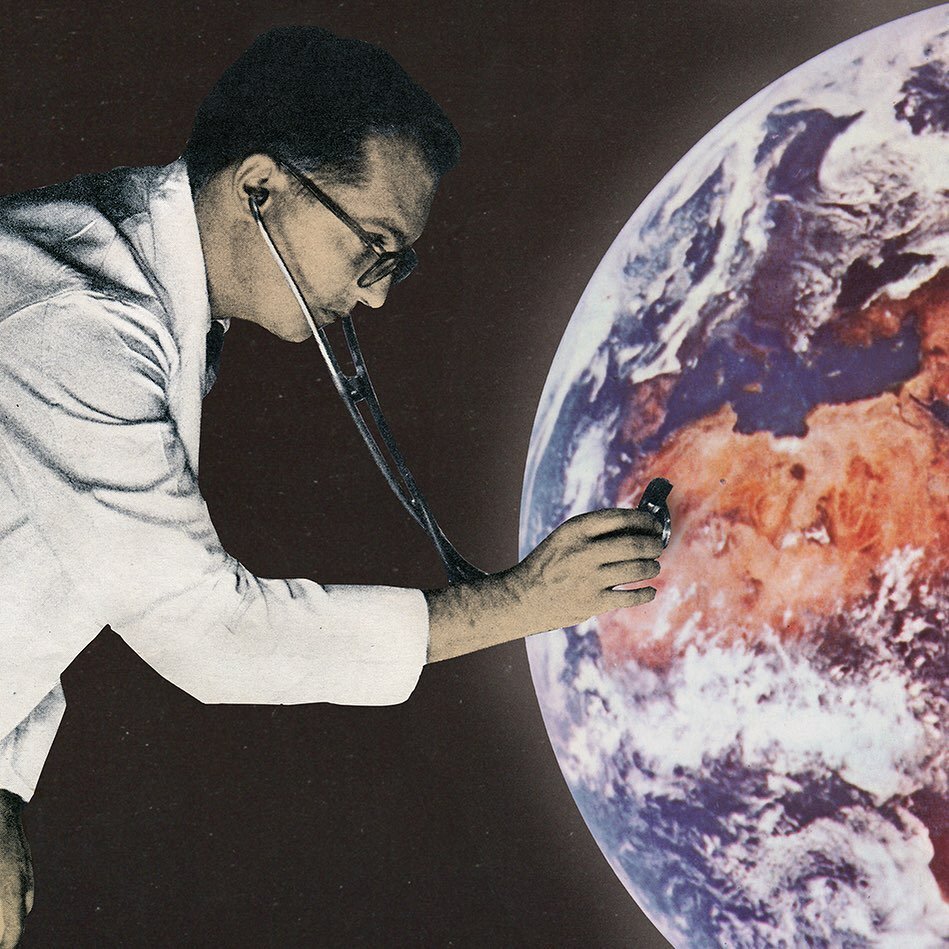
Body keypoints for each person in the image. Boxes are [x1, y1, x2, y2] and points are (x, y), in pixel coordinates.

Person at [0, 27, 663, 947]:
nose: (378, 295)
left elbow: (30, 560)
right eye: (374, 246)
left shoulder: (142, 285)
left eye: (397, 261)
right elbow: (210, 637)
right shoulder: (79, 319)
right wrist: (518, 604)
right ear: (260, 187)